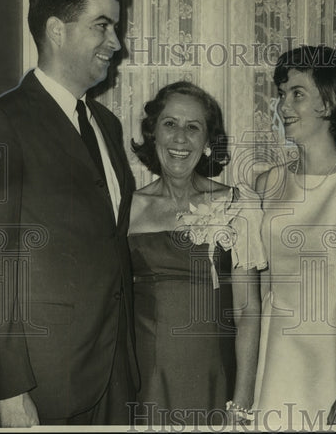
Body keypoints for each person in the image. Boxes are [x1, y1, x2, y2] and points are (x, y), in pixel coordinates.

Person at [0, 0, 138, 426]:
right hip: (45, 381)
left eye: (117, 28)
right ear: (56, 30)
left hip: (115, 373)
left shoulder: (107, 124)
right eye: (102, 26)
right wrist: (9, 390)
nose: (116, 43)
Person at [253, 45, 336, 428]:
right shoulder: (267, 183)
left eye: (297, 93)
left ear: (331, 102)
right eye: (282, 94)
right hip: (278, 355)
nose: (283, 106)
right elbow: (261, 287)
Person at [128, 81, 267, 425]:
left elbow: (248, 309)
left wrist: (243, 400)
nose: (180, 138)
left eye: (193, 127)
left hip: (216, 378)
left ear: (207, 143)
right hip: (146, 380)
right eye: (169, 124)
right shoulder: (126, 209)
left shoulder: (237, 204)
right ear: (153, 134)